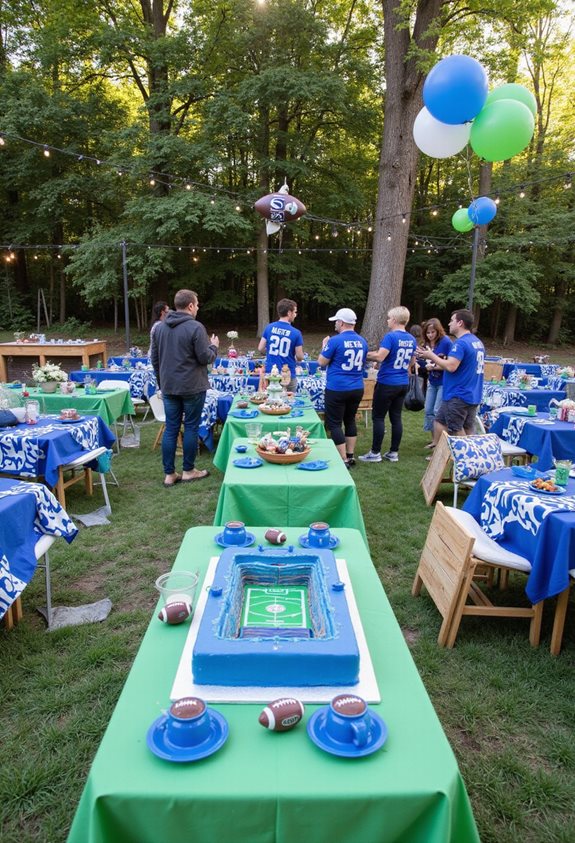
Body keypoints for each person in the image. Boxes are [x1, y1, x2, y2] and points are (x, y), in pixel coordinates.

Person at [151, 289, 219, 487]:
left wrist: (161, 382)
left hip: (169, 387)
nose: (197, 308)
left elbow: (155, 360)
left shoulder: (160, 328)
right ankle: (188, 470)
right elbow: (205, 358)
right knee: (190, 427)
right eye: (197, 304)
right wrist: (214, 346)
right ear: (190, 306)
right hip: (192, 387)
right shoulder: (196, 327)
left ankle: (169, 474)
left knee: (171, 429)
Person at [416, 308, 485, 440]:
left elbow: (451, 366)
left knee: (456, 429)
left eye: (452, 321)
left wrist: (431, 355)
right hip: (472, 393)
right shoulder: (477, 342)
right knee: (443, 422)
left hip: (458, 394)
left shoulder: (461, 343)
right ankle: (442, 452)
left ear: (460, 323)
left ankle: (467, 457)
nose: (449, 324)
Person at [359, 305, 416, 464]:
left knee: (378, 417)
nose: (387, 320)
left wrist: (364, 354)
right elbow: (412, 362)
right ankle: (393, 452)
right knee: (396, 417)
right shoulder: (411, 339)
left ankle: (375, 452)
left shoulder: (391, 337)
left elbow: (380, 357)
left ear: (396, 320)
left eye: (389, 318)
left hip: (387, 382)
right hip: (402, 381)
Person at [318, 308, 368, 468]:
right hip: (356, 386)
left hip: (337, 387)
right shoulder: (362, 341)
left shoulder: (334, 341)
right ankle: (351, 455)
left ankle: (343, 458)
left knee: (334, 423)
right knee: (350, 419)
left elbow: (321, 362)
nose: (335, 324)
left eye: (336, 322)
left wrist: (324, 346)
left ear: (341, 322)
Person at [258, 298, 304, 392]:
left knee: (270, 403)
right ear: (289, 313)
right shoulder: (296, 333)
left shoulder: (269, 327)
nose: (296, 314)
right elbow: (300, 356)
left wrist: (271, 353)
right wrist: (293, 357)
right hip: (287, 375)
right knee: (289, 403)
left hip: (271, 373)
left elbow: (260, 348)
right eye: (294, 312)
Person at [421, 318, 452, 448]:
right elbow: (424, 360)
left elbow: (450, 364)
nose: (430, 335)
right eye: (428, 333)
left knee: (437, 411)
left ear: (438, 331)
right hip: (432, 380)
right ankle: (434, 439)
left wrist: (433, 366)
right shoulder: (427, 343)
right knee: (428, 410)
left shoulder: (446, 342)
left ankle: (439, 444)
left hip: (443, 381)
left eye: (433, 332)